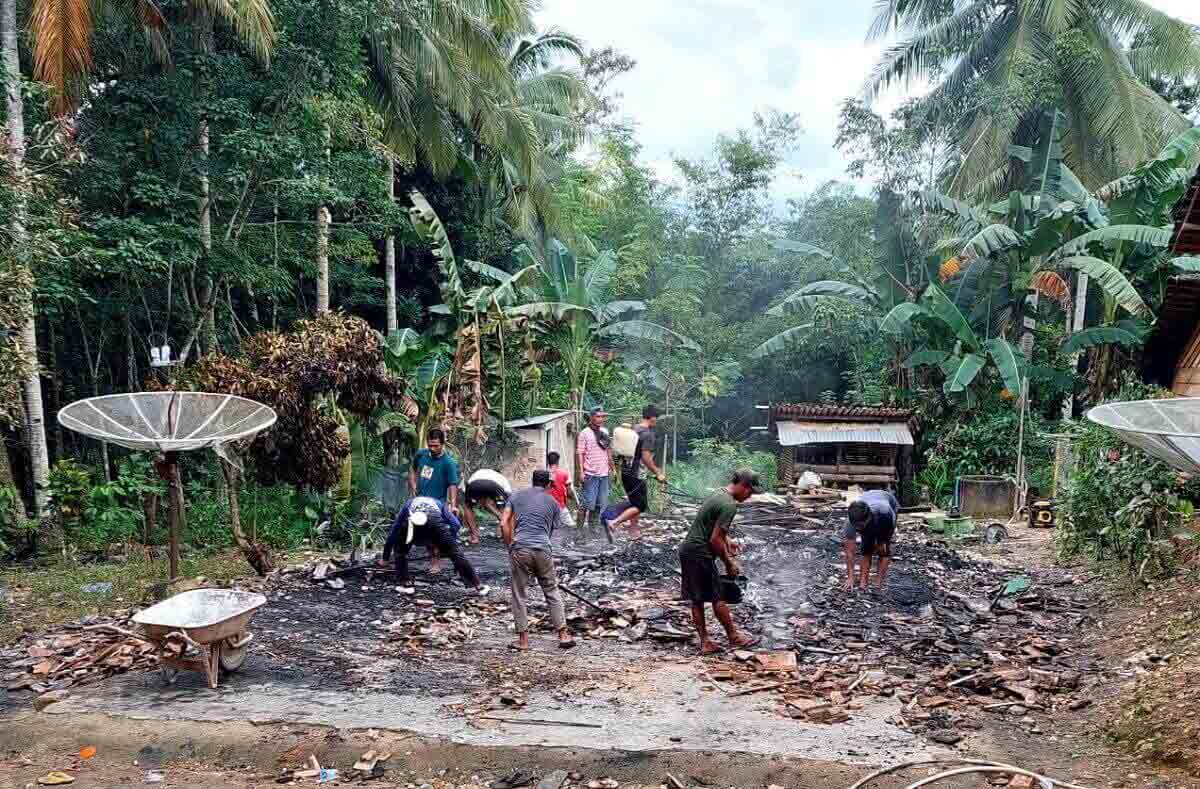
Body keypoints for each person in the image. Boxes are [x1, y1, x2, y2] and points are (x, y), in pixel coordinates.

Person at [678, 469, 762, 655]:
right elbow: (715, 539)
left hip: (689, 550)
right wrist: (729, 562)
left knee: (697, 599)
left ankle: (705, 642)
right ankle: (733, 636)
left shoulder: (719, 494)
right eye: (749, 492)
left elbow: (714, 528)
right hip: (700, 553)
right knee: (718, 596)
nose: (748, 497)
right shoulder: (729, 505)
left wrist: (728, 540)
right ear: (743, 486)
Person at [502, 470, 575, 651]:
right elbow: (550, 531)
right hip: (543, 549)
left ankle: (524, 641)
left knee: (519, 594)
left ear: (532, 480)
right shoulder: (553, 503)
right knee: (551, 590)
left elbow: (504, 523)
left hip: (521, 548)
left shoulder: (516, 496)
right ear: (548, 484)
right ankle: (563, 636)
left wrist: (510, 545)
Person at [381, 496, 489, 596]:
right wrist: (451, 544)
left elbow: (393, 532)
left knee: (400, 551)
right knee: (456, 553)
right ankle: (479, 587)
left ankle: (405, 584)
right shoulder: (438, 504)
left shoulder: (408, 504)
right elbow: (455, 524)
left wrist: (385, 558)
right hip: (432, 521)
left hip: (413, 523)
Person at [607, 405, 666, 541]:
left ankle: (633, 532)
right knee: (640, 505)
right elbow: (645, 457)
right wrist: (657, 473)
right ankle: (613, 522)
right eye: (656, 418)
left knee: (635, 502)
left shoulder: (634, 429)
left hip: (625, 472)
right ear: (652, 417)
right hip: (637, 474)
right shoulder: (647, 433)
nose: (656, 420)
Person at [409, 429, 460, 572]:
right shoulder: (421, 455)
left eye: (436, 446)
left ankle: (436, 561)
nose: (432, 449)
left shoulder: (448, 463)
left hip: (438, 503)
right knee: (425, 533)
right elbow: (412, 469)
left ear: (443, 444)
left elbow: (452, 485)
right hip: (420, 501)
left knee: (435, 533)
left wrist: (452, 505)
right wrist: (413, 485)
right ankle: (433, 556)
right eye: (430, 445)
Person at [842, 489, 900, 593]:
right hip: (870, 498)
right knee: (867, 546)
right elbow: (849, 552)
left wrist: (879, 543)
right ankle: (863, 583)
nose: (859, 529)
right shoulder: (849, 523)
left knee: (882, 548)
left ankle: (878, 583)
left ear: (869, 517)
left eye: (861, 526)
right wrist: (850, 577)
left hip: (888, 504)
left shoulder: (885, 514)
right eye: (857, 527)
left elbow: (883, 551)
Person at [576, 407, 612, 532]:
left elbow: (608, 450)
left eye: (602, 416)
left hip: (604, 473)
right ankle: (579, 530)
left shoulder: (605, 431)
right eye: (598, 416)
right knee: (585, 503)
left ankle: (593, 527)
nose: (601, 419)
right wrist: (581, 472)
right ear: (591, 418)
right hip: (590, 473)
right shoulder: (584, 433)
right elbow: (580, 453)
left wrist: (611, 468)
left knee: (598, 502)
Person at [462, 468, 512, 545]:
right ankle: (505, 538)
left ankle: (475, 537)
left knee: (468, 507)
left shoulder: (480, 472)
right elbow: (508, 506)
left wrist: (498, 515)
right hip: (495, 486)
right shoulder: (502, 479)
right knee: (504, 511)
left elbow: (483, 503)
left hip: (475, 483)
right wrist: (501, 514)